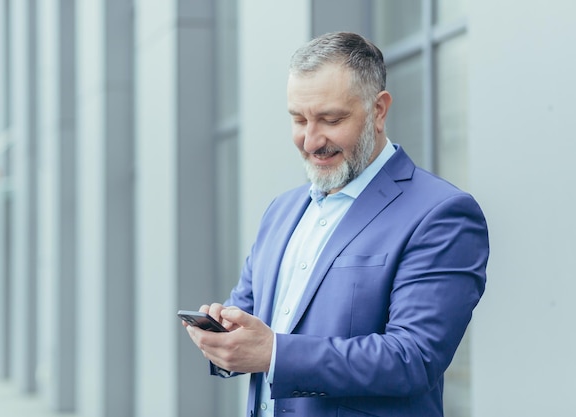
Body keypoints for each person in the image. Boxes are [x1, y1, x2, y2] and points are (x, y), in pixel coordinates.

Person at [183, 31, 489, 417]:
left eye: (331, 119)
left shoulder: (441, 214)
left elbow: (413, 358)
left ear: (379, 110)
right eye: (299, 119)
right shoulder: (282, 210)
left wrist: (274, 352)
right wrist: (225, 335)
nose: (311, 140)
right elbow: (249, 316)